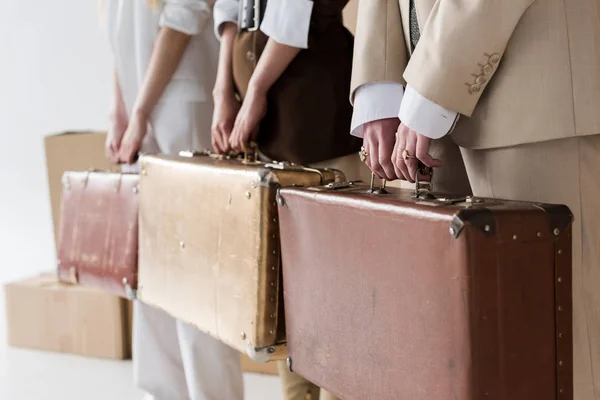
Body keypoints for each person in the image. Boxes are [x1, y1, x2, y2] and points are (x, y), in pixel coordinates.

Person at [350, 1, 600, 399]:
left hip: (532, 87)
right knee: (450, 351)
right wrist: (379, 87)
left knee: (556, 347)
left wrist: (433, 84)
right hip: (415, 101)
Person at [212, 0, 370, 399]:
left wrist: (256, 89)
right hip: (261, 104)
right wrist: (223, 88)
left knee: (336, 275)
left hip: (311, 100)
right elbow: (230, 9)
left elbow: (296, 8)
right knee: (283, 282)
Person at [102, 0, 244, 399]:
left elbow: (185, 14)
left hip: (182, 108)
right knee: (148, 272)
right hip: (140, 114)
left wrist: (139, 109)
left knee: (197, 273)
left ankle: (212, 394)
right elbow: (115, 27)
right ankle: (164, 392)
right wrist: (119, 111)